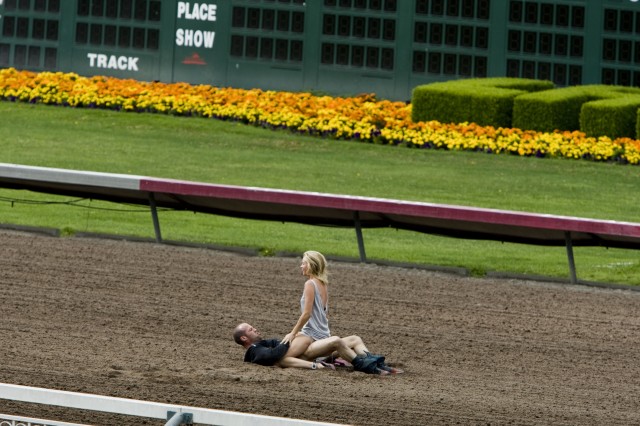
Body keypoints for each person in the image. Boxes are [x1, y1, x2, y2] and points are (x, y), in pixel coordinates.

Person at [278, 250, 401, 375]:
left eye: (303, 263)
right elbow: (323, 314)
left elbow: (306, 314)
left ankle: (366, 365)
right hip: (324, 337)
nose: (301, 266)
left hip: (314, 339)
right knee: (355, 339)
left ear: (311, 265)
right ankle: (380, 365)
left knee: (344, 340)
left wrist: (293, 334)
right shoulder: (323, 284)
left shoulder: (310, 283)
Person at [233, 323, 403, 375]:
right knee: (336, 341)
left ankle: (374, 362)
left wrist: (292, 337)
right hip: (304, 357)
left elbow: (276, 344)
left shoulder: (262, 344)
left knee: (354, 339)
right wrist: (291, 338)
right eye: (250, 329)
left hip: (303, 353)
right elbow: (273, 356)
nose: (255, 329)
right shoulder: (255, 350)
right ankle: (367, 366)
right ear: (244, 338)